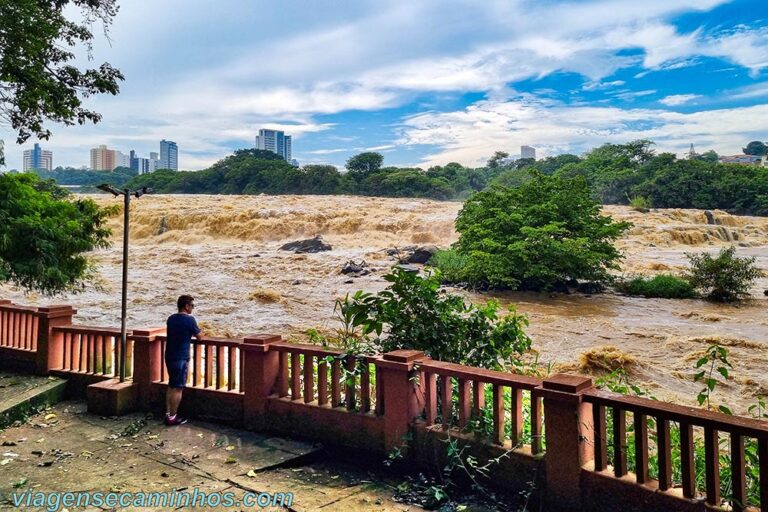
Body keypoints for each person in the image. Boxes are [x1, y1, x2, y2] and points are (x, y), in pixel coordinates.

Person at [164, 294, 203, 426]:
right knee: (178, 388)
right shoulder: (189, 320)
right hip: (181, 357)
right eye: (192, 305)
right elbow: (200, 337)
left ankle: (168, 413)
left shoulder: (171, 319)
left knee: (171, 385)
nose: (192, 308)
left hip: (169, 355)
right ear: (186, 306)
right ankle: (173, 417)